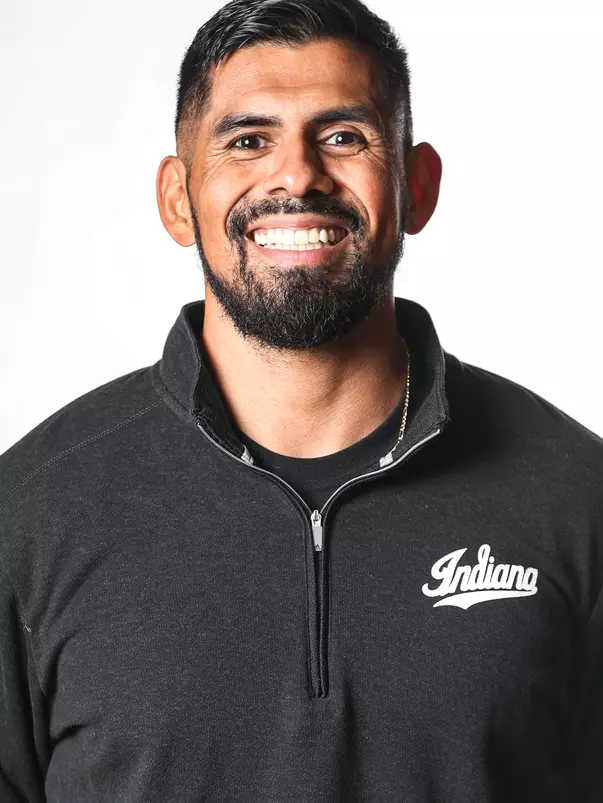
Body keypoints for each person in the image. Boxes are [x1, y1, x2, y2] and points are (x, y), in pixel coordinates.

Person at [0, 0, 601, 800]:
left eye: (343, 136)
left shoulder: (577, 497)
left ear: (415, 187)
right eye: (248, 140)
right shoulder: (30, 512)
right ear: (178, 198)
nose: (296, 175)